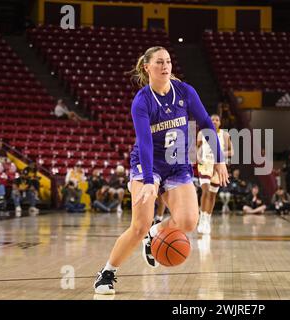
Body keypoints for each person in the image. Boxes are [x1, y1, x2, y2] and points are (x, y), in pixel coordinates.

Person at [93, 46, 228, 295]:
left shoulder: (185, 92)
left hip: (177, 165)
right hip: (148, 164)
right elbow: (144, 142)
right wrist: (147, 181)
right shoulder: (142, 101)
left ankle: (156, 232)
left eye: (167, 61)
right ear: (147, 67)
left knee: (188, 221)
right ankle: (107, 272)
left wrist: (219, 159)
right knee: (139, 225)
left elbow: (206, 123)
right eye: (159, 62)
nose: (165, 66)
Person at [197, 114, 233, 234]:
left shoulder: (225, 135)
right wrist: (198, 158)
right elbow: (197, 149)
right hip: (205, 164)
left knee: (212, 195)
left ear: (220, 123)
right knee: (205, 191)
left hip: (218, 166)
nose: (214, 121)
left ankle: (207, 218)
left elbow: (232, 151)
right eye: (212, 119)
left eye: (217, 120)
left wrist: (220, 153)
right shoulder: (202, 133)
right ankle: (201, 218)